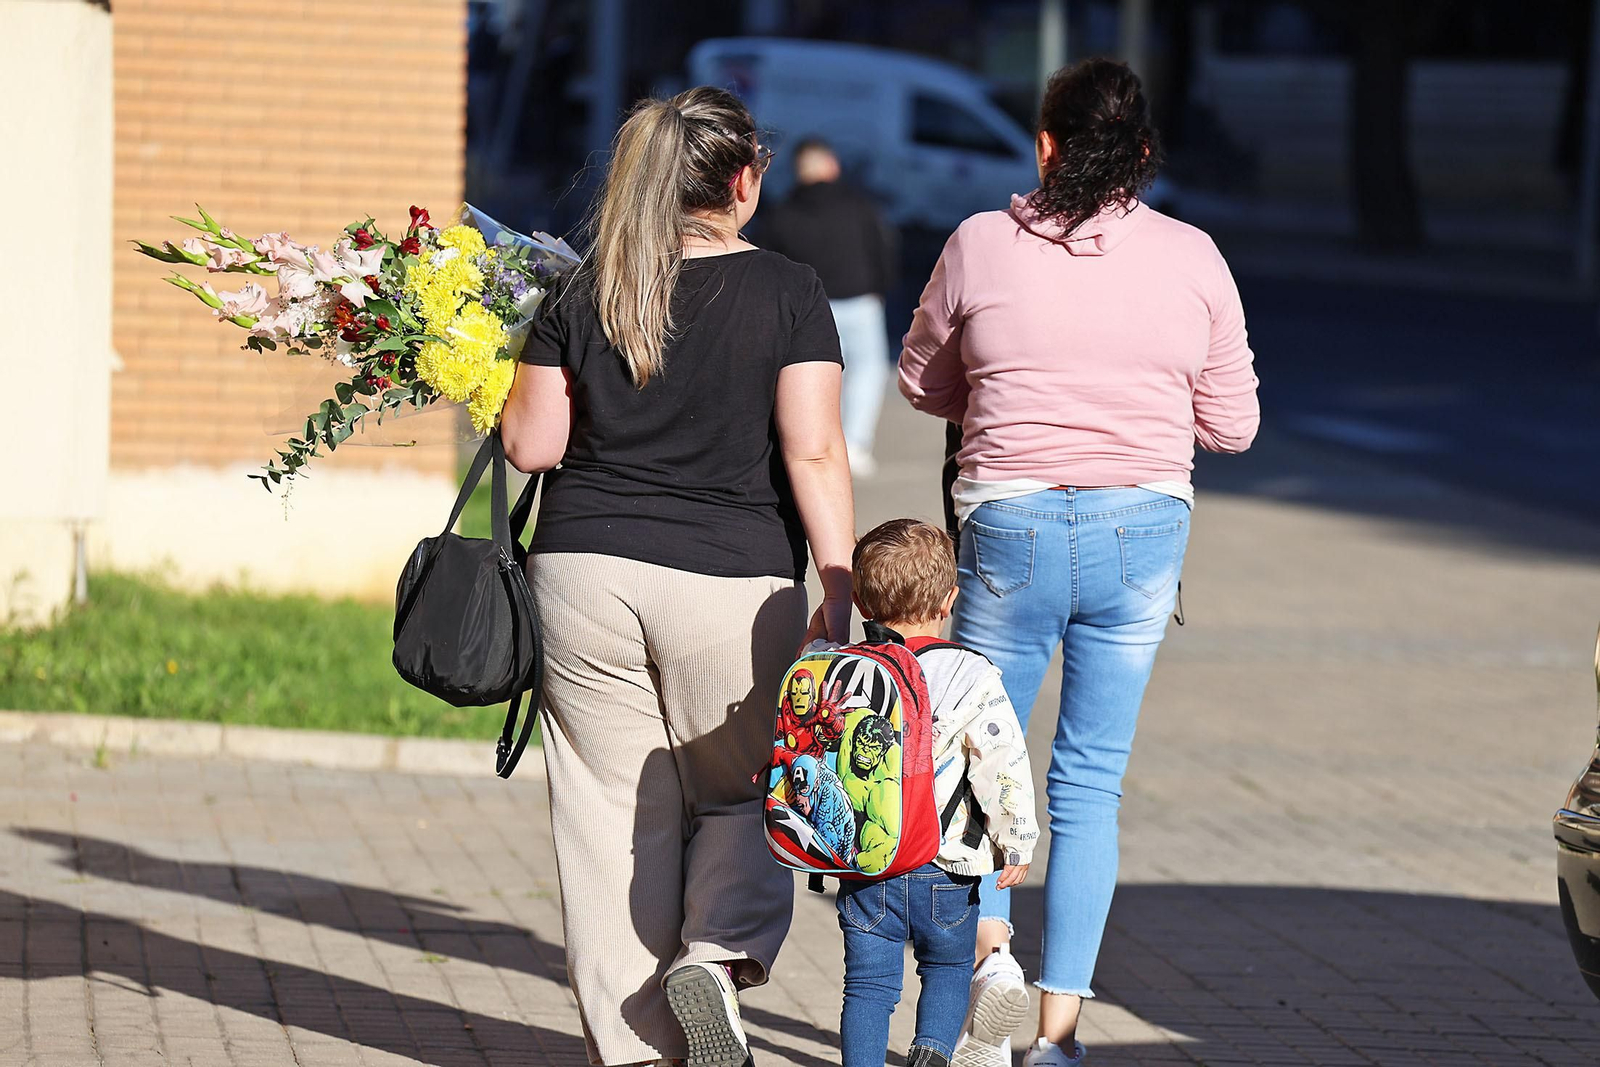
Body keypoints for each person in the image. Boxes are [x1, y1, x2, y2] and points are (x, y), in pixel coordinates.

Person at [899, 59, 1262, 1067]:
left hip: (1007, 524)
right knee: (1088, 784)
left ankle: (989, 963)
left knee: (981, 766)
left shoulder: (978, 243)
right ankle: (1056, 1035)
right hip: (1142, 532)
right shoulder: (1194, 256)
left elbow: (919, 380)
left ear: (1045, 145)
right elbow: (1233, 426)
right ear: (1142, 153)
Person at [498, 86, 856, 1067]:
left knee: (610, 814)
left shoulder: (582, 290)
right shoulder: (788, 289)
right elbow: (814, 449)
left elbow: (532, 444)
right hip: (731, 587)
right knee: (742, 790)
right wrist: (838, 584)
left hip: (583, 576)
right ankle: (714, 955)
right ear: (742, 180)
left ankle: (638, 1053)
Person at [830, 519, 1039, 1067]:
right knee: (946, 968)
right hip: (945, 863)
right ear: (949, 599)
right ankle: (930, 1053)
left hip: (865, 858)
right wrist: (1015, 840)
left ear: (860, 602)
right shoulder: (971, 672)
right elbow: (1002, 763)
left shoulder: (842, 668)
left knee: (868, 987)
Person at [760, 138, 898, 476]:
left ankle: (815, 442)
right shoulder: (859, 205)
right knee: (866, 373)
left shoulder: (782, 213)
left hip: (807, 308)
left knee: (809, 376)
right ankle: (855, 445)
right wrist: (881, 288)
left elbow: (769, 265)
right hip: (860, 301)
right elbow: (883, 249)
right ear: (832, 165)